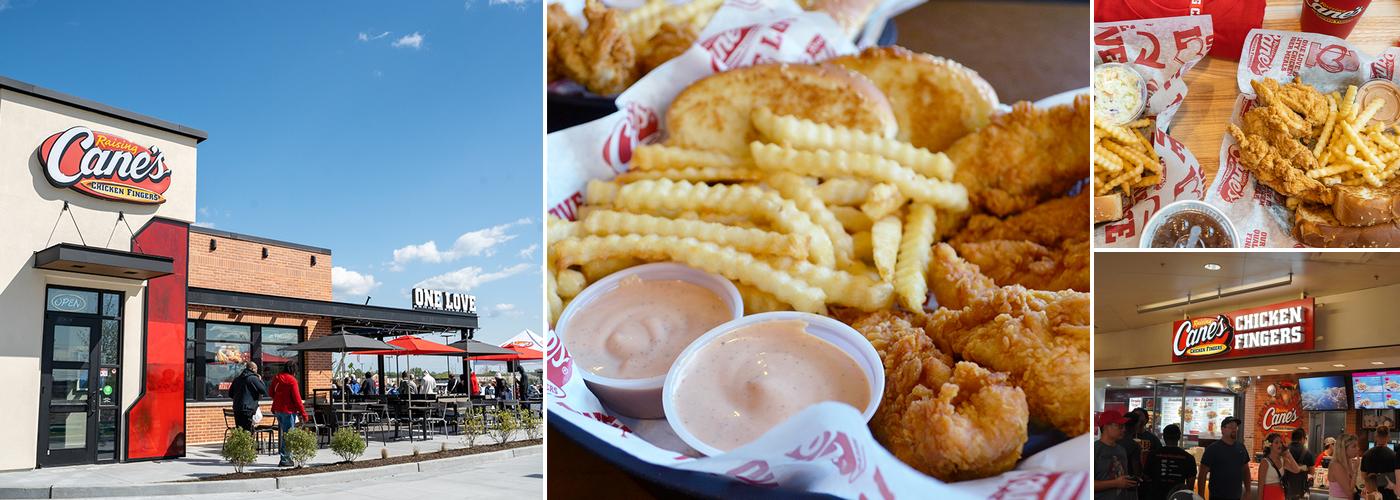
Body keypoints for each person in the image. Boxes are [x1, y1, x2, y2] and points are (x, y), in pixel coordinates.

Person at [1198, 416, 1251, 500]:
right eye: (1231, 427)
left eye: (1235, 427)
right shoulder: (1212, 449)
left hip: (1236, 497)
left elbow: (1246, 470)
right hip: (1217, 497)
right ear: (1222, 429)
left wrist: (1248, 491)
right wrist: (1201, 495)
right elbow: (1202, 473)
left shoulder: (1241, 448)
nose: (1234, 429)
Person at [270, 361, 309, 467]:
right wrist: (304, 414)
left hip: (278, 410)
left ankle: (285, 457)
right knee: (289, 435)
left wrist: (278, 399)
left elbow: (270, 392)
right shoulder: (292, 381)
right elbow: (297, 399)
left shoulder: (277, 377)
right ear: (294, 370)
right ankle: (285, 459)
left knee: (285, 434)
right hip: (289, 411)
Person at [1144, 424, 1196, 500]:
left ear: (1164, 437)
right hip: (1177, 496)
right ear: (1179, 437)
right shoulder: (1188, 458)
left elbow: (1146, 476)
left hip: (1155, 496)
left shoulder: (1153, 455)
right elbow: (1190, 485)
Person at [1096, 409, 1138, 500]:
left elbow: (1123, 478)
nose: (1124, 429)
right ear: (1106, 426)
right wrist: (1115, 483)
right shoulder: (1094, 450)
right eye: (1120, 426)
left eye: (1124, 426)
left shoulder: (1121, 450)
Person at [1260, 433, 1305, 500]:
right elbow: (1260, 485)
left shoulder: (1283, 460)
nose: (1280, 445)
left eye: (1281, 442)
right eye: (1276, 442)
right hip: (1268, 494)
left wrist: (1288, 453)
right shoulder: (1265, 462)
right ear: (1270, 445)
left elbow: (1296, 470)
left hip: (1280, 494)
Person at [228, 361, 268, 433]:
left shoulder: (237, 379)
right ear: (252, 369)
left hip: (237, 408)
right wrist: (260, 380)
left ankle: (240, 444)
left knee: (240, 431)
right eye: (256, 369)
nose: (256, 371)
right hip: (248, 409)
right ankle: (248, 444)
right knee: (248, 431)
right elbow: (263, 390)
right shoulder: (253, 378)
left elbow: (230, 394)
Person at [1362, 425, 1399, 500]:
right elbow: (1397, 477)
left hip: (1372, 495)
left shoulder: (1366, 455)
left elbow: (1364, 476)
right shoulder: (1394, 456)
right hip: (1389, 495)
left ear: (1375, 437)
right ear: (1388, 437)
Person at [1283, 428, 1315, 500]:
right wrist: (1303, 468)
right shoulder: (1307, 453)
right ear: (1302, 438)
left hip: (1285, 489)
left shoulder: (1284, 451)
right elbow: (1312, 472)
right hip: (1301, 491)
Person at [1118, 411, 1144, 500]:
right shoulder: (1133, 445)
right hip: (1128, 485)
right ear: (1136, 425)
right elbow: (1136, 468)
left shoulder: (1112, 441)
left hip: (1110, 484)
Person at [1329, 434, 1361, 500]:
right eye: (1354, 446)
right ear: (1344, 448)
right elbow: (1349, 493)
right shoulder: (1336, 465)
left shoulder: (1348, 462)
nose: (1358, 448)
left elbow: (1353, 485)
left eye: (1357, 446)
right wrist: (1355, 471)